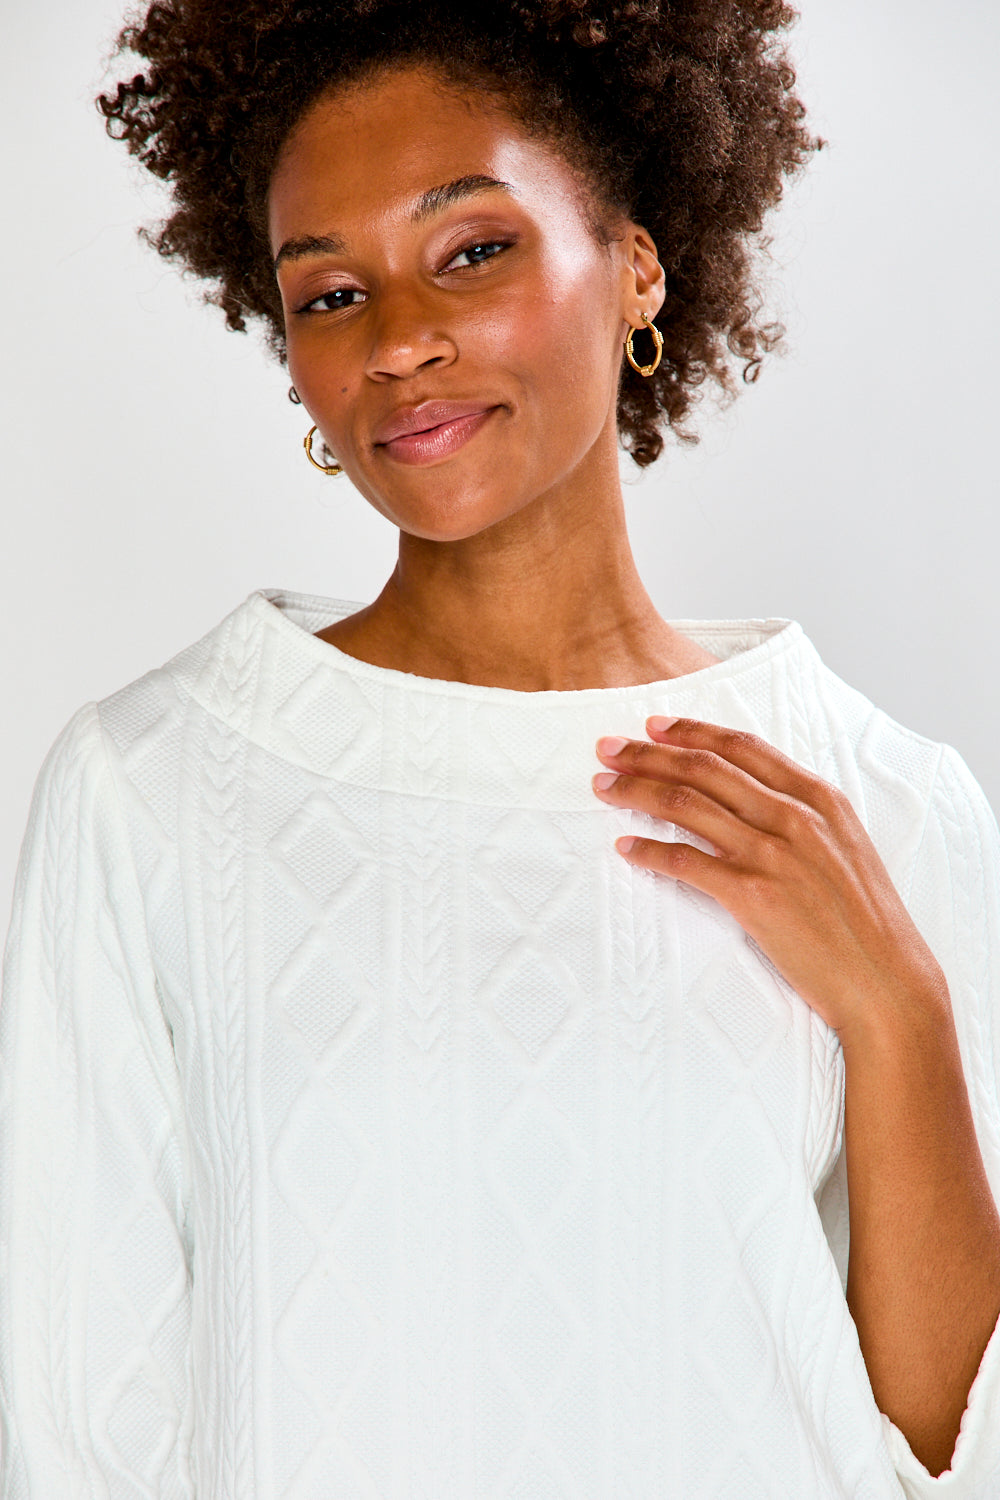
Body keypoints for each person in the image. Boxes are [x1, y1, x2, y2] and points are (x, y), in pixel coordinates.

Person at [2, 0, 999, 1494]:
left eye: (473, 250)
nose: (400, 341)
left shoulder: (886, 802)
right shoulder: (149, 791)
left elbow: (947, 1452)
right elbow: (84, 1435)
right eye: (332, 293)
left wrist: (899, 1015)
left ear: (638, 265)